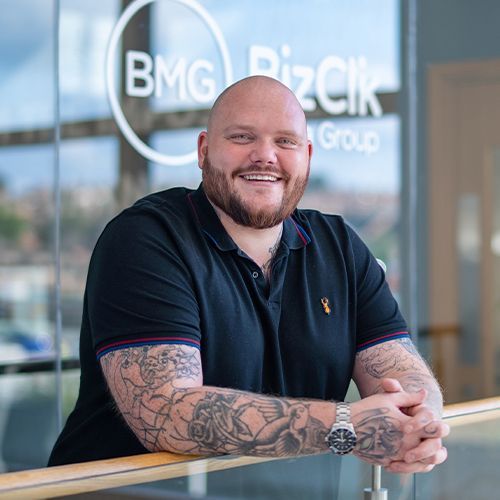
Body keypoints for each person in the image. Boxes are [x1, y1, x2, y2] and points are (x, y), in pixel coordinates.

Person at [49, 76, 448, 476]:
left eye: (285, 142)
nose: (265, 156)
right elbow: (166, 412)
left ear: (307, 154)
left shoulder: (340, 246)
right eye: (242, 137)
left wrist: (420, 421)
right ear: (204, 150)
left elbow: (402, 370)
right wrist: (345, 425)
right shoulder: (147, 238)